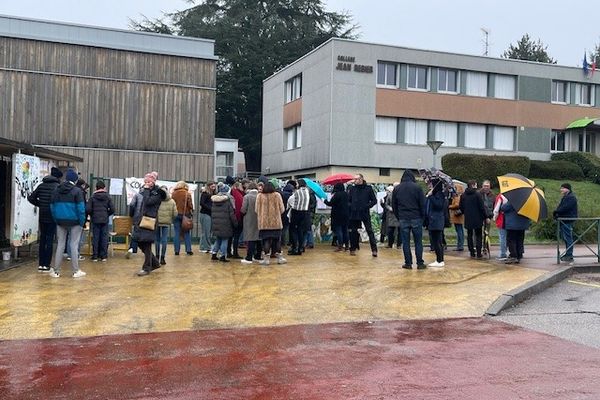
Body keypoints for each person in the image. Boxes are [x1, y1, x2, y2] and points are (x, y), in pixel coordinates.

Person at [49, 168, 87, 278]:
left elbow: (52, 207)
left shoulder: (56, 190)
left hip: (60, 221)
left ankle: (56, 271)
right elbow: (81, 208)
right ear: (75, 180)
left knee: (60, 244)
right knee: (73, 245)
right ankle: (75, 271)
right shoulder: (77, 191)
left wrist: (56, 219)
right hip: (75, 222)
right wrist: (81, 222)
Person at [28, 167, 62, 271]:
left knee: (42, 239)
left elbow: (30, 198)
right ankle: (47, 265)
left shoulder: (41, 186)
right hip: (52, 216)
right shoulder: (57, 187)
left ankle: (41, 264)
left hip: (42, 215)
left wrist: (40, 204)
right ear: (57, 177)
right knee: (49, 240)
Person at [133, 172, 166, 276]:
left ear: (153, 182)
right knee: (139, 242)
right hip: (142, 220)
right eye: (145, 181)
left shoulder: (158, 193)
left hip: (149, 221)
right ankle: (155, 263)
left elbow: (147, 202)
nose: (146, 183)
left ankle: (147, 268)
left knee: (146, 244)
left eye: (149, 181)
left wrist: (146, 190)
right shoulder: (145, 191)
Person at [392, 170, 426, 269]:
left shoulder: (397, 188)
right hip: (416, 217)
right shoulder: (417, 188)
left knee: (405, 242)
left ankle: (408, 263)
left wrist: (399, 216)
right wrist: (422, 217)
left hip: (403, 218)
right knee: (418, 242)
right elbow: (422, 204)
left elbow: (394, 205)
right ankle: (420, 263)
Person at [255, 181, 286, 265]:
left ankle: (266, 260)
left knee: (266, 241)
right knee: (277, 241)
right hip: (276, 222)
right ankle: (279, 258)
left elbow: (256, 210)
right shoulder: (277, 195)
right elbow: (282, 209)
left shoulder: (259, 196)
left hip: (264, 223)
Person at [348, 174, 378, 257]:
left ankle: (374, 250)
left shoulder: (368, 188)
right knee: (353, 231)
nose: (355, 180)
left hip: (364, 212)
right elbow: (348, 200)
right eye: (354, 179)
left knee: (369, 231)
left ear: (361, 179)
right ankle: (353, 248)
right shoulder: (352, 189)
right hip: (354, 213)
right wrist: (351, 205)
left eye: (356, 179)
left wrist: (366, 206)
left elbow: (374, 201)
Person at [86, 179, 115, 262]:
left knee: (95, 237)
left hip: (95, 220)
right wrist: (107, 214)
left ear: (96, 188)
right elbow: (112, 209)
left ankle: (95, 256)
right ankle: (103, 256)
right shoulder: (108, 197)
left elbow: (88, 209)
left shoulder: (92, 197)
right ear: (104, 188)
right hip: (104, 220)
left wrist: (92, 215)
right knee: (104, 237)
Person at [459, 180, 488, 259]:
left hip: (468, 218)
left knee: (469, 235)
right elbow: (482, 207)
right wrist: (485, 217)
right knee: (478, 235)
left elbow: (461, 207)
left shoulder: (463, 195)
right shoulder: (477, 195)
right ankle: (479, 253)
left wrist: (465, 212)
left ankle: (471, 252)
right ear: (473, 185)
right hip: (478, 218)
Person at [210, 184, 237, 262]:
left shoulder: (214, 201)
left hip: (216, 223)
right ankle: (222, 256)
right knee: (225, 240)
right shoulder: (228, 201)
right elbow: (231, 214)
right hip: (226, 224)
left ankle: (214, 254)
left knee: (218, 239)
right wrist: (235, 223)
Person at [553, 182, 578, 262]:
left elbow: (565, 208)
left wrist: (557, 211)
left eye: (563, 188)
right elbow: (562, 207)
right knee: (566, 237)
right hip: (565, 219)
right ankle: (568, 254)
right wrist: (557, 212)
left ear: (567, 189)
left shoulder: (571, 197)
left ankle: (569, 255)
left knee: (568, 237)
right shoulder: (567, 197)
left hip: (568, 219)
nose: (561, 190)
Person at [501, 199, 530, 264]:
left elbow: (503, 208)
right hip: (523, 224)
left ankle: (513, 256)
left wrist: (504, 203)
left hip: (512, 225)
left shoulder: (513, 199)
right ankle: (519, 254)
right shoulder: (527, 201)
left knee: (511, 240)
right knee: (520, 240)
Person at [426, 179, 447, 267]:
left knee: (438, 241)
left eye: (431, 184)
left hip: (437, 221)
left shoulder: (439, 194)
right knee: (435, 241)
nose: (430, 186)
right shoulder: (435, 194)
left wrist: (430, 196)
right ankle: (438, 259)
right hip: (433, 220)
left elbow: (438, 205)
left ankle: (440, 260)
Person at [287, 179, 311, 255]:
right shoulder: (307, 192)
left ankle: (295, 248)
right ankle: (301, 247)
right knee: (300, 230)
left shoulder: (297, 192)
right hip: (304, 212)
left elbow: (290, 200)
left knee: (293, 230)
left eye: (297, 183)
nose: (296, 184)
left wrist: (291, 206)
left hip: (296, 212)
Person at [324, 182, 350, 251]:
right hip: (346, 215)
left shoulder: (337, 195)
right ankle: (347, 245)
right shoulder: (346, 194)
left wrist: (325, 201)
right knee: (345, 231)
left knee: (339, 231)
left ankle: (340, 246)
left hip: (337, 215)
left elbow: (330, 203)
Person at [156, 185, 177, 265]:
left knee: (157, 240)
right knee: (164, 240)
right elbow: (175, 214)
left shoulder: (157, 200)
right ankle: (162, 258)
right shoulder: (172, 201)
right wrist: (170, 218)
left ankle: (157, 257)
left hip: (157, 222)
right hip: (166, 223)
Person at [171, 181, 194, 256]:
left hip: (176, 215)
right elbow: (190, 205)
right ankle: (188, 250)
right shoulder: (187, 193)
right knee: (186, 233)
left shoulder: (174, 193)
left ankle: (176, 251)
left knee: (177, 233)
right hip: (185, 215)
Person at [240, 182, 261, 264]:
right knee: (259, 238)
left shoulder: (247, 197)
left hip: (249, 220)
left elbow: (243, 209)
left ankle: (249, 257)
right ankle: (258, 256)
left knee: (251, 238)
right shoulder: (260, 196)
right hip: (259, 219)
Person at [228, 181, 245, 259]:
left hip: (231, 218)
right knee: (236, 237)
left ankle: (229, 252)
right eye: (241, 186)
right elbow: (239, 208)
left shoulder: (232, 193)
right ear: (237, 186)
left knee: (230, 236)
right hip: (237, 219)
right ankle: (235, 253)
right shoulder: (238, 195)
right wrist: (239, 219)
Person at [199, 181, 216, 253]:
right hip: (205, 214)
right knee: (206, 231)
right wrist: (210, 208)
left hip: (209, 214)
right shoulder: (205, 193)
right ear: (208, 186)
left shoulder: (213, 193)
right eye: (212, 186)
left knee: (207, 231)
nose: (214, 188)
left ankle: (203, 246)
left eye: (214, 186)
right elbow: (201, 203)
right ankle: (206, 247)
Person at [384, 184, 401, 249]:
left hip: (399, 215)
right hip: (391, 215)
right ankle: (390, 244)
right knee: (390, 230)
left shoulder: (402, 195)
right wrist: (389, 208)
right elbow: (386, 204)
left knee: (400, 231)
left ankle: (399, 244)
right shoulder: (390, 195)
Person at [448, 184, 464, 252]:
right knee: (460, 230)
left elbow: (457, 205)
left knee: (459, 231)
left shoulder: (457, 197)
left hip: (457, 216)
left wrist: (450, 206)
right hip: (458, 216)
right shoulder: (459, 196)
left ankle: (460, 245)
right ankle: (460, 245)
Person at [127, 191, 143, 258]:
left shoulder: (137, 195)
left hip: (137, 216)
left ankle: (132, 249)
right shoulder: (151, 195)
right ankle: (146, 251)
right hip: (147, 217)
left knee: (135, 232)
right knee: (146, 233)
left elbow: (132, 205)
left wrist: (131, 214)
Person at [493, 193, 508, 260]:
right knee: (509, 237)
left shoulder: (500, 196)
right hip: (510, 220)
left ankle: (503, 253)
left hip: (502, 220)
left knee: (502, 237)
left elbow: (496, 210)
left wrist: (494, 218)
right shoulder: (513, 195)